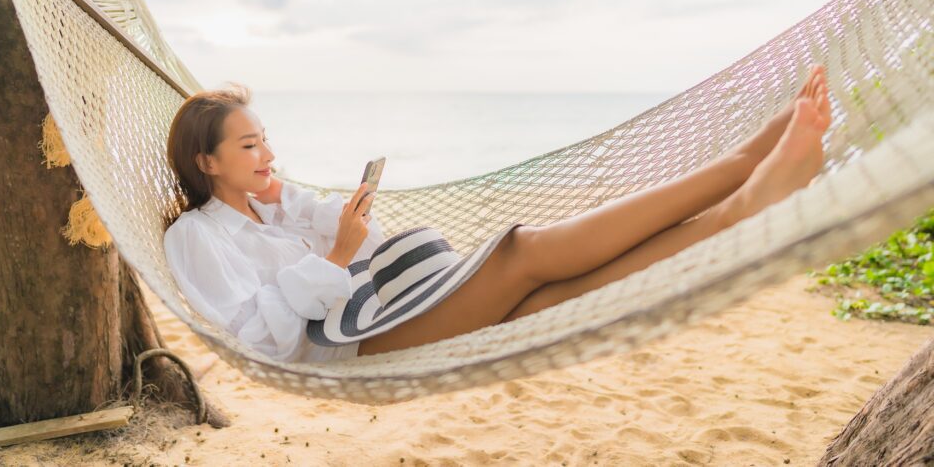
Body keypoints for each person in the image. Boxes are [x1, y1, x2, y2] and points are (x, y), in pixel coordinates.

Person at [163, 65, 832, 362]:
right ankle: (739, 168)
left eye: (267, 139)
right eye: (250, 146)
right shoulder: (196, 239)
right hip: (351, 343)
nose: (268, 153)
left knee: (554, 300)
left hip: (390, 302)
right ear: (207, 163)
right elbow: (261, 339)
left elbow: (342, 230)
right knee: (522, 253)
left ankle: (738, 210)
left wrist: (295, 206)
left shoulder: (271, 210)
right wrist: (337, 256)